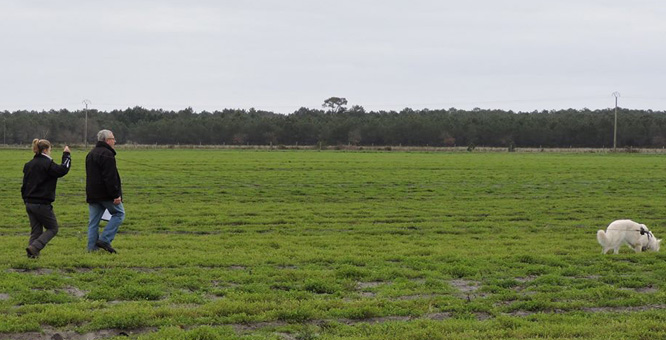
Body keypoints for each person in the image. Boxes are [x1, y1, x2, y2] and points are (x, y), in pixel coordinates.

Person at [21, 139, 71, 258]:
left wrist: (25, 200)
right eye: (50, 150)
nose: (50, 152)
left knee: (36, 231)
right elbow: (63, 170)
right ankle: (35, 247)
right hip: (42, 204)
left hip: (29, 203)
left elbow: (24, 186)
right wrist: (67, 155)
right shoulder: (48, 164)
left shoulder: (29, 164)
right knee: (53, 228)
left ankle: (32, 255)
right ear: (45, 150)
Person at [86, 129, 124, 253]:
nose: (115, 141)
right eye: (113, 139)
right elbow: (110, 177)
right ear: (107, 140)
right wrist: (116, 194)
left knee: (93, 222)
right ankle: (105, 239)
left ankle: (92, 249)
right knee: (119, 214)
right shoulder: (108, 154)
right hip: (106, 194)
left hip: (92, 193)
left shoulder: (90, 154)